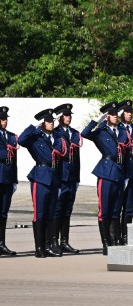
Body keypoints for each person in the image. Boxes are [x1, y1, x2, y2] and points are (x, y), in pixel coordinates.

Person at [18, 108, 68, 258]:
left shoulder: (58, 138)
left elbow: (62, 157)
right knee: (39, 214)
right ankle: (39, 248)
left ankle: (48, 246)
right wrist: (34, 125)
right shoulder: (36, 138)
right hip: (40, 176)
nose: (51, 124)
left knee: (50, 214)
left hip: (54, 177)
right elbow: (21, 140)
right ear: (42, 123)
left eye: (52, 121)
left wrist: (60, 183)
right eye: (48, 121)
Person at [82, 102, 127, 255]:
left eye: (116, 114)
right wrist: (97, 120)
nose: (115, 116)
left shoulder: (122, 130)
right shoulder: (101, 131)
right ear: (107, 116)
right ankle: (106, 242)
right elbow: (85, 133)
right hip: (106, 171)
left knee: (116, 210)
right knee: (104, 210)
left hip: (120, 171)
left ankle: (115, 240)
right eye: (112, 114)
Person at [53, 103, 82, 254]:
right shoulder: (55, 133)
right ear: (59, 117)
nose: (68, 117)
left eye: (69, 115)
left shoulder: (75, 133)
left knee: (67, 210)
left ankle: (65, 241)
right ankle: (54, 241)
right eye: (65, 115)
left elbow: (76, 158)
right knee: (57, 210)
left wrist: (77, 178)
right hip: (60, 177)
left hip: (71, 177)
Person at [117, 100, 133, 245]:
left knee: (129, 207)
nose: (130, 114)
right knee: (118, 206)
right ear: (121, 114)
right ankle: (116, 236)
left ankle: (126, 235)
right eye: (127, 112)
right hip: (121, 172)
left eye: (131, 111)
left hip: (132, 172)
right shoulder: (117, 129)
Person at [0, 106, 19, 256]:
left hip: (7, 178)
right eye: (2, 119)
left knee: (4, 213)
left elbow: (14, 161)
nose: (4, 121)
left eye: (5, 119)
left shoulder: (11, 136)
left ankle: (1, 243)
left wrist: (15, 180)